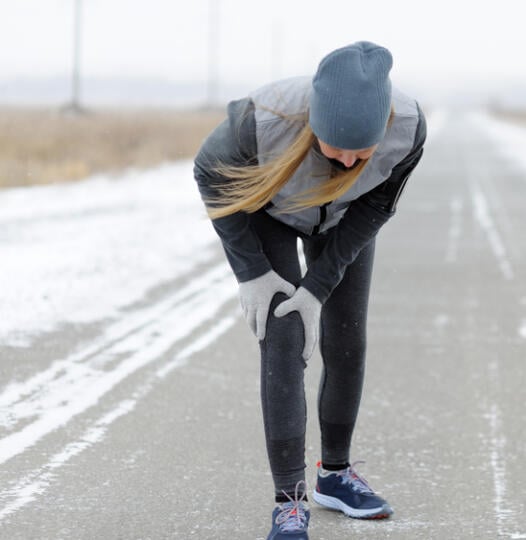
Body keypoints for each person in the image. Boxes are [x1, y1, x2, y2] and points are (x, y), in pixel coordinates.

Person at [193, 41, 426, 539]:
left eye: (359, 150)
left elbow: (376, 208)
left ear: (382, 128)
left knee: (347, 340)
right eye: (332, 143)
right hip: (270, 212)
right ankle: (289, 499)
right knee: (284, 339)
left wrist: (320, 286)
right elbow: (208, 174)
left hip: (344, 221)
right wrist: (251, 272)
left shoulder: (407, 130)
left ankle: (335, 477)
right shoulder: (261, 119)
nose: (344, 159)